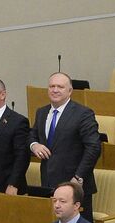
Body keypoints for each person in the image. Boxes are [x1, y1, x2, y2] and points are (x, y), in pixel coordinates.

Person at [30, 72, 101, 214]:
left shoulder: (83, 114)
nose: (55, 90)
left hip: (75, 186)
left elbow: (93, 148)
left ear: (70, 91)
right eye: (52, 86)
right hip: (49, 184)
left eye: (60, 87)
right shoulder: (42, 112)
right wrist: (34, 145)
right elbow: (32, 134)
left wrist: (78, 178)